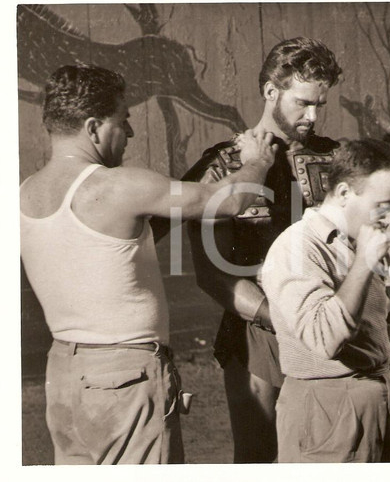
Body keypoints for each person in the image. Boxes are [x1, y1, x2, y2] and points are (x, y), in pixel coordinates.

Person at [19, 65, 275, 464]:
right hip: (124, 375)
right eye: (124, 121)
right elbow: (230, 200)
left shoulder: (24, 193)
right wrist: (257, 160)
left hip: (66, 374)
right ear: (92, 127)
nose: (131, 133)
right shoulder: (117, 186)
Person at [186, 37, 342, 463]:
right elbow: (212, 273)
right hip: (257, 330)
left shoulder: (338, 161)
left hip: (330, 326)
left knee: (331, 456)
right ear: (271, 91)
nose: (312, 117)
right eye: (303, 103)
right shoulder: (221, 167)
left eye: (319, 106)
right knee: (258, 456)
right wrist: (281, 320)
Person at [260, 139, 390, 462]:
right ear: (344, 193)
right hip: (329, 409)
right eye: (385, 205)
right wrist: (364, 262)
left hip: (381, 397)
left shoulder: (356, 240)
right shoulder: (297, 246)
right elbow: (325, 338)